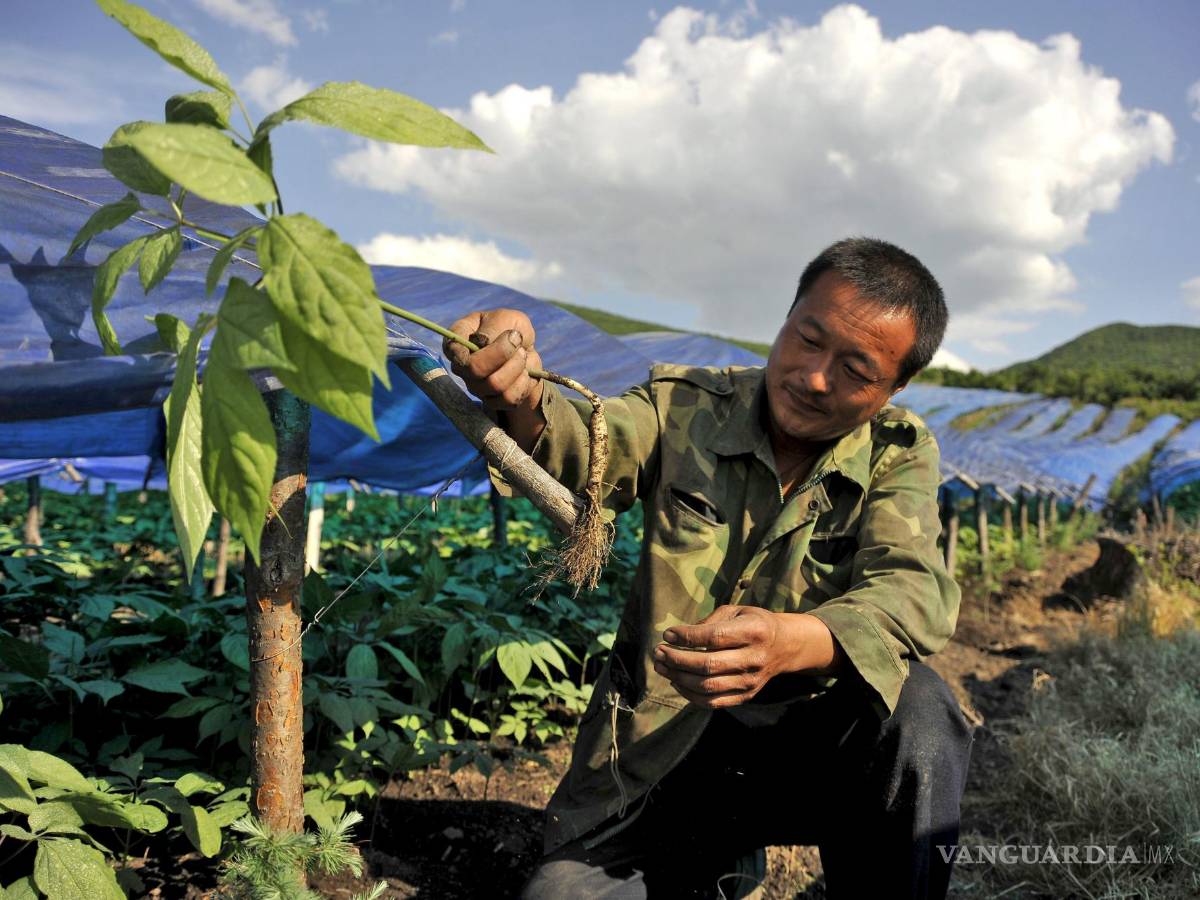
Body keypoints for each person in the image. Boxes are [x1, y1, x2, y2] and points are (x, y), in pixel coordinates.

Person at [444, 237, 972, 899]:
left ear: (893, 389)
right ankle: (710, 859)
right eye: (807, 340)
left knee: (921, 711)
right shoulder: (686, 406)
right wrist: (519, 392)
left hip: (803, 759)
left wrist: (793, 644)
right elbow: (582, 446)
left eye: (855, 370)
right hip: (659, 757)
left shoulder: (895, 453)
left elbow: (914, 587)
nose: (813, 378)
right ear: (785, 320)